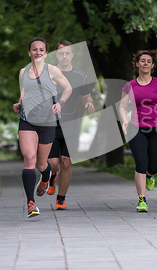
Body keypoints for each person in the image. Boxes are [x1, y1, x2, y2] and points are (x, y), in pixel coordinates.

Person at [13, 37, 72, 218]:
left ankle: (46, 177)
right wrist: (20, 102)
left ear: (46, 53)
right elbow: (25, 89)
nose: (37, 52)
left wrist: (60, 103)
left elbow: (68, 88)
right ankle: (31, 204)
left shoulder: (52, 70)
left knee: (41, 163)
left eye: (41, 50)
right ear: (29, 52)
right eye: (34, 49)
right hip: (28, 120)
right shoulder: (23, 72)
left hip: (47, 121)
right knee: (29, 158)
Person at [39, 40, 95, 210]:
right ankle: (52, 175)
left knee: (66, 162)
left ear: (72, 55)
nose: (64, 56)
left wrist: (90, 102)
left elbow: (86, 95)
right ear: (56, 54)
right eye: (61, 53)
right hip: (51, 125)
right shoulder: (47, 73)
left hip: (72, 125)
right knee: (54, 163)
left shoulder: (80, 76)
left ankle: (61, 199)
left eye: (67, 53)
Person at [119, 49, 157, 212]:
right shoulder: (129, 86)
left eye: (148, 61)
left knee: (153, 165)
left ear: (152, 65)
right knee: (141, 163)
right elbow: (122, 107)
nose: (145, 63)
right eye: (142, 60)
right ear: (137, 64)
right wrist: (124, 119)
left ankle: (151, 175)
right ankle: (142, 199)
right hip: (136, 128)